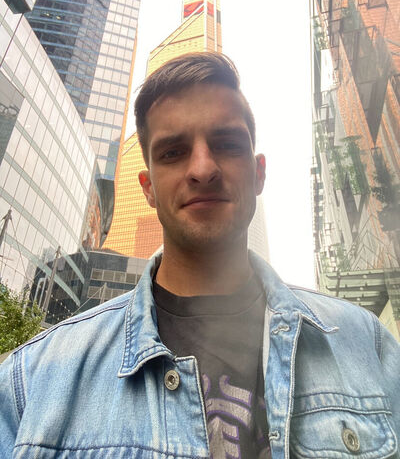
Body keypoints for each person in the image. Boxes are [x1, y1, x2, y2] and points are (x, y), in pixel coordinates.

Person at [0, 52, 399, 459]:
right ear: (148, 188)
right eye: (173, 152)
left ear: (259, 173)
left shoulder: (366, 345)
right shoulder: (32, 381)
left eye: (227, 144)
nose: (203, 169)